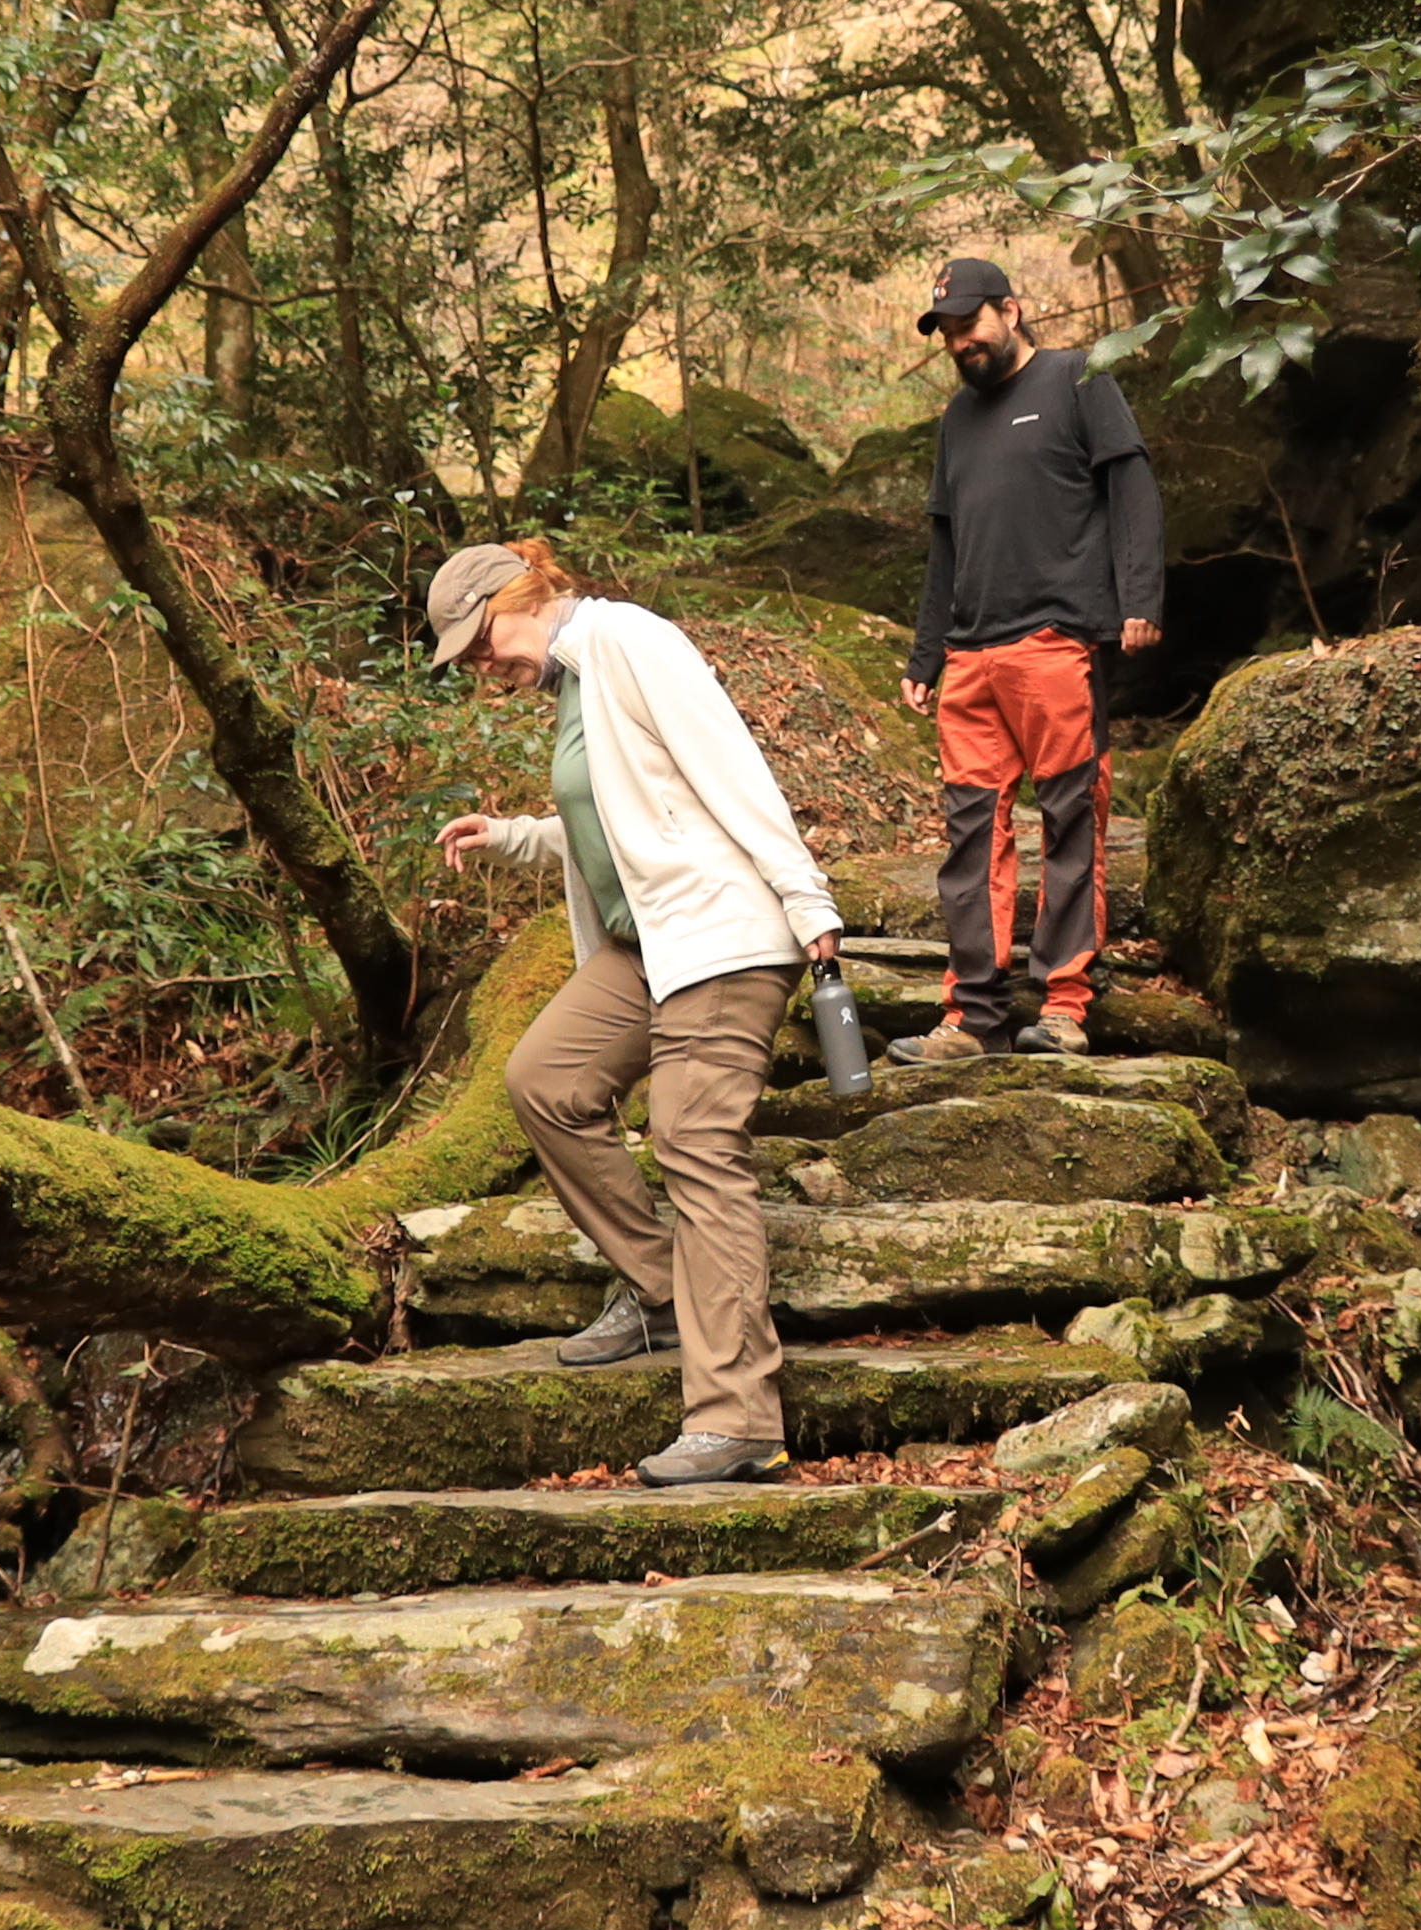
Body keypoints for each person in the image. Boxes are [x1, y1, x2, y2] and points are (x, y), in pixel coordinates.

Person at [425, 535, 843, 1489]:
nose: (481, 667)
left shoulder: (631, 641)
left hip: (721, 936)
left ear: (522, 593)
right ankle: (662, 1291)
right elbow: (620, 814)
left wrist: (805, 896)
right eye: (468, 658)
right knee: (545, 1080)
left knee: (692, 1137)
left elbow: (730, 772)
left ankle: (738, 1418)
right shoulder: (574, 679)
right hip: (645, 945)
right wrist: (515, 836)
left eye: (479, 641)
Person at [892, 257, 1164, 1064]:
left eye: (970, 323)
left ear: (1012, 310)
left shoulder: (1079, 378)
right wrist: (927, 649)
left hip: (1057, 641)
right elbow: (945, 541)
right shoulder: (956, 420)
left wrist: (1140, 596)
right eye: (945, 330)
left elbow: (1133, 487)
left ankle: (1066, 1006)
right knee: (972, 836)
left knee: (1071, 820)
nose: (959, 341)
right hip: (971, 657)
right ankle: (971, 1017)